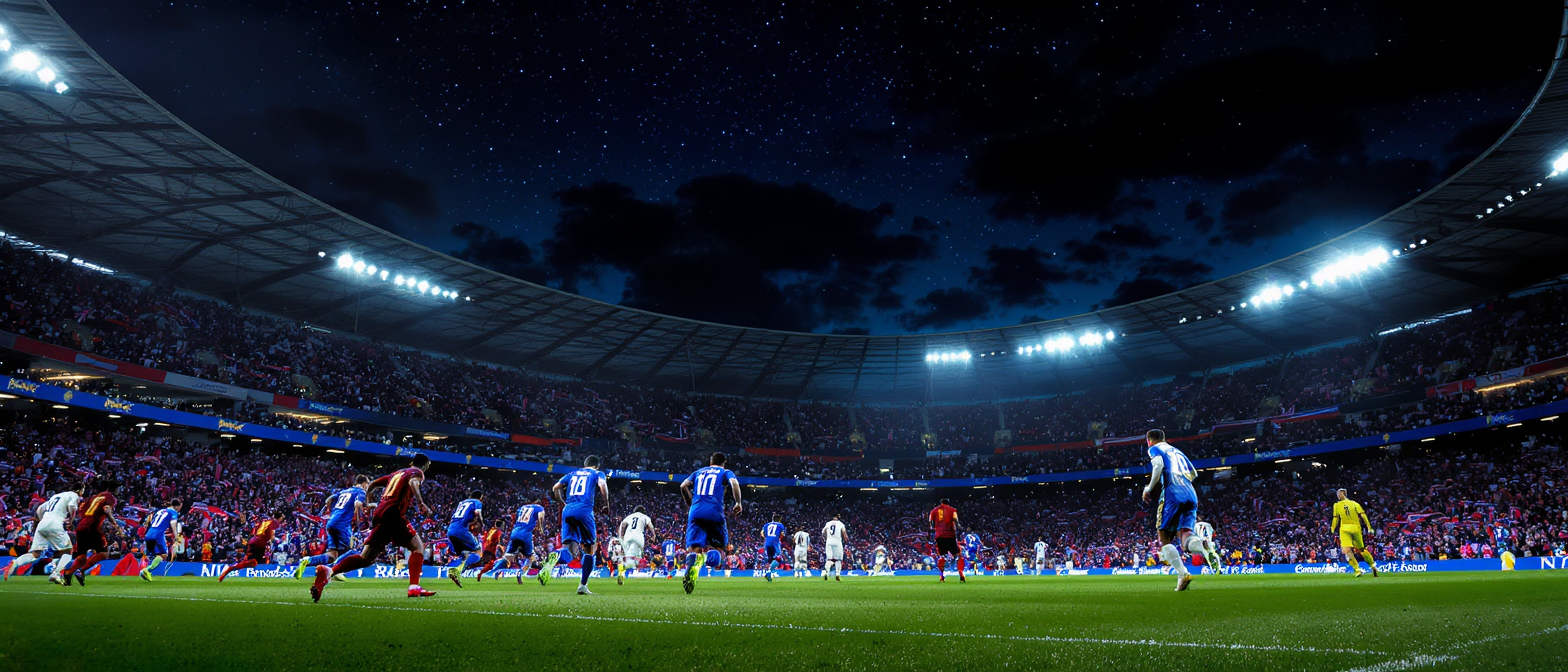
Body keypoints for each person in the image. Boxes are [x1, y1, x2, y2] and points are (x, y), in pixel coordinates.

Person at [311, 454, 437, 601]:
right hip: (393, 512)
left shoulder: (397, 473)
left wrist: (369, 499)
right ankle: (414, 587)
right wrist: (421, 502)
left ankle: (329, 571)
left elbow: (373, 484)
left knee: (365, 558)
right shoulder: (417, 473)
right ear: (426, 465)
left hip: (380, 513)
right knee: (417, 547)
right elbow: (414, 483)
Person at [1142, 429, 1213, 592]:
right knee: (1185, 536)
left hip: (1172, 493)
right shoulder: (1177, 451)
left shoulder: (1154, 448)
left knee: (1164, 538)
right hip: (1190, 492)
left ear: (1150, 440)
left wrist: (1148, 488)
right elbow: (1193, 473)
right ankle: (1202, 545)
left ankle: (1183, 574)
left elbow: (1158, 465)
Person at [678, 452, 742, 594]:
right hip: (714, 512)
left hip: (695, 512)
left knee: (694, 547)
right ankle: (703, 563)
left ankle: (692, 566)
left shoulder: (698, 472)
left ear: (710, 461)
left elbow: (683, 486)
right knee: (718, 547)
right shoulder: (725, 472)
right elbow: (734, 483)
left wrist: (691, 503)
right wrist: (738, 502)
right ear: (723, 462)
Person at [550, 455, 610, 595]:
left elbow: (555, 487)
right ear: (597, 465)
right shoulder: (597, 473)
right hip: (584, 509)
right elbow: (602, 485)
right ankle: (582, 585)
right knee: (590, 548)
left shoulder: (572, 474)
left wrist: (562, 502)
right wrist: (606, 503)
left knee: (569, 548)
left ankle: (556, 555)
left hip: (568, 509)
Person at [297, 475, 369, 580]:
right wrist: (358, 520)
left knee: (332, 555)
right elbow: (358, 504)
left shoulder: (344, 491)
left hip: (331, 522)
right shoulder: (361, 492)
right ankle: (334, 570)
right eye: (367, 484)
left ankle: (307, 560)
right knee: (354, 550)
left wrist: (332, 513)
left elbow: (328, 499)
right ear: (363, 483)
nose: (367, 487)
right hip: (342, 524)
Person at [6, 484, 81, 582]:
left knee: (35, 554)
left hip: (43, 523)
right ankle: (55, 573)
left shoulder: (55, 497)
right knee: (68, 551)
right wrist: (71, 521)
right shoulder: (73, 495)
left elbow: (39, 510)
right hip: (55, 523)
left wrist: (41, 521)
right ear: (79, 490)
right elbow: (72, 506)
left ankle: (15, 563)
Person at [59, 480, 121, 586]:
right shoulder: (110, 497)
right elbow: (107, 509)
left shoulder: (94, 497)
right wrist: (115, 524)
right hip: (93, 527)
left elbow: (82, 509)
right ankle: (81, 571)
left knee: (82, 556)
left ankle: (68, 573)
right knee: (103, 553)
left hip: (81, 526)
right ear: (116, 489)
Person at [219, 508, 286, 582]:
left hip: (254, 540)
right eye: (281, 518)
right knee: (255, 561)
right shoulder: (275, 523)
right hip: (260, 543)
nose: (281, 520)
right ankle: (231, 568)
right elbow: (272, 537)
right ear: (279, 518)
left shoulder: (266, 521)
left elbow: (258, 530)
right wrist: (278, 541)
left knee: (253, 562)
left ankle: (232, 568)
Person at [1332, 489, 1380, 578]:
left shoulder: (1354, 503)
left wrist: (1369, 526)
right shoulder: (1337, 505)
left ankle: (1373, 566)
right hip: (1344, 529)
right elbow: (1335, 517)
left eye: (1339, 493)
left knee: (1361, 550)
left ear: (1344, 494)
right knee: (1346, 550)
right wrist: (1332, 528)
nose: (1338, 495)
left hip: (1355, 528)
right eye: (1337, 494)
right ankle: (1357, 570)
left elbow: (1363, 514)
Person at [444, 490, 486, 587]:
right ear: (480, 497)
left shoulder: (462, 503)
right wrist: (482, 523)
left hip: (450, 530)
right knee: (478, 552)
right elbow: (477, 512)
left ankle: (457, 571)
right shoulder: (477, 502)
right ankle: (457, 570)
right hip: (461, 530)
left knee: (465, 554)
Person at [504, 496, 546, 585]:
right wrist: (541, 528)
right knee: (531, 558)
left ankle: (495, 570)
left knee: (508, 556)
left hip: (514, 532)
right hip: (525, 534)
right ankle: (525, 572)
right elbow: (540, 516)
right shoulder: (538, 507)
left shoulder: (522, 508)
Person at [139, 498, 182, 581]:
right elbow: (173, 523)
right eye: (180, 507)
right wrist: (176, 536)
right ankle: (147, 570)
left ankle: (147, 570)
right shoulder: (173, 512)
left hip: (149, 533)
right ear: (177, 506)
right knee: (164, 554)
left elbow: (151, 522)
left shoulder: (160, 511)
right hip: (158, 534)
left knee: (154, 555)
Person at [928, 498, 965, 583]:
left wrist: (932, 528)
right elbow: (955, 519)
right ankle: (961, 573)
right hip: (950, 535)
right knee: (958, 555)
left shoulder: (934, 510)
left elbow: (930, 520)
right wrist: (958, 526)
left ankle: (941, 577)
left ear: (941, 503)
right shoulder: (952, 510)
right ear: (948, 503)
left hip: (939, 536)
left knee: (942, 556)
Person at [617, 505, 655, 586]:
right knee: (633, 561)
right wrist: (653, 536)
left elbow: (623, 524)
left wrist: (621, 536)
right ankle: (622, 566)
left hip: (627, 537)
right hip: (637, 537)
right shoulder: (645, 516)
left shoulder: (630, 516)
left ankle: (621, 575)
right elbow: (650, 526)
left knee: (633, 559)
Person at [760, 514, 786, 582]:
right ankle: (768, 573)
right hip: (775, 542)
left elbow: (762, 533)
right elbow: (782, 534)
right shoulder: (780, 525)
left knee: (771, 560)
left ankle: (769, 574)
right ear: (779, 519)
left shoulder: (766, 525)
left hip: (767, 543)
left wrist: (768, 538)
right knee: (779, 558)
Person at [822, 514, 847, 581]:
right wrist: (846, 540)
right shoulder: (840, 524)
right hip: (837, 542)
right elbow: (844, 533)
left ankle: (827, 573)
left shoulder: (828, 523)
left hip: (829, 542)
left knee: (829, 559)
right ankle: (837, 574)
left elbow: (823, 532)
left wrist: (826, 539)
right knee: (838, 560)